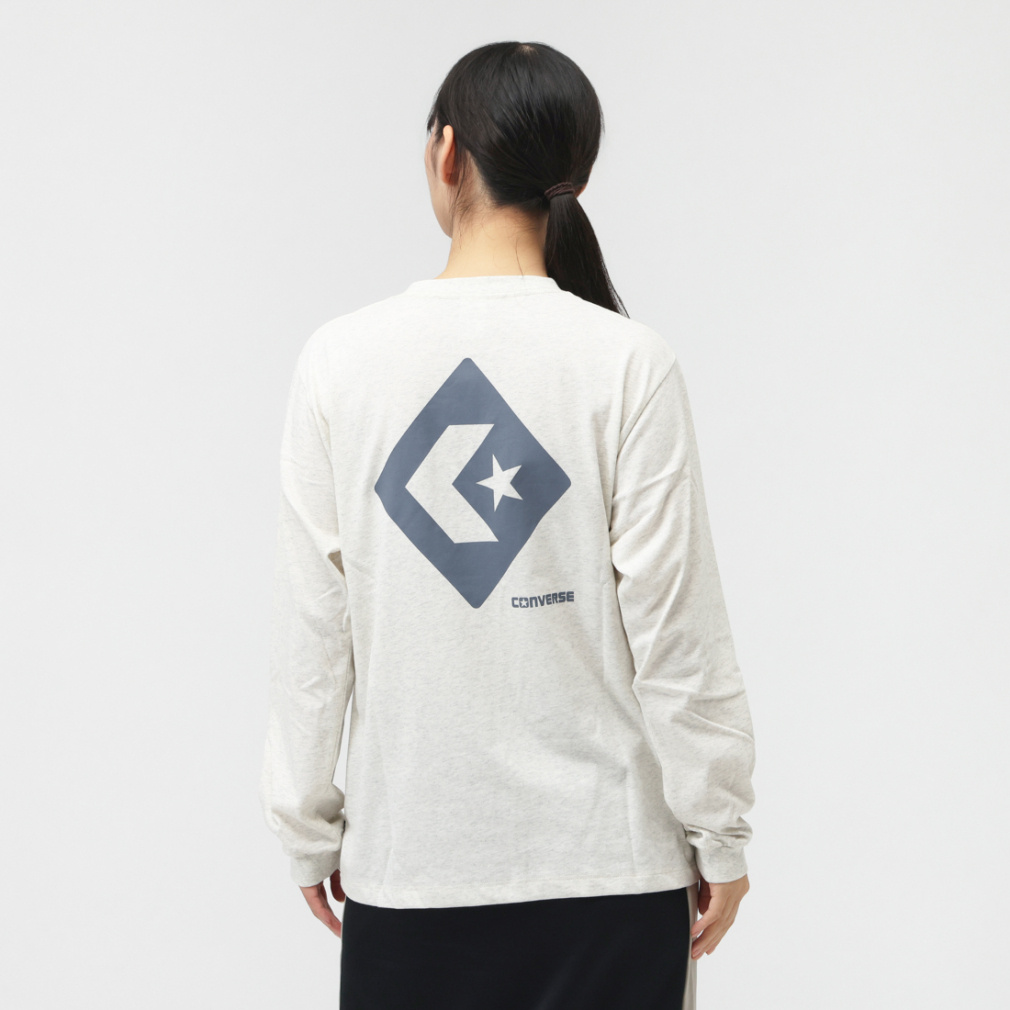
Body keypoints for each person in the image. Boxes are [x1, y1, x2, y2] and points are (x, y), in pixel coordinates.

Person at [259, 40, 757, 1010]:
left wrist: (307, 827)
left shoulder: (339, 363)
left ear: (446, 153)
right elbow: (678, 633)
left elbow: (314, 632)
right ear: (576, 176)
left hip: (412, 877)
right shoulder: (627, 362)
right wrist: (720, 831)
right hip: (612, 880)